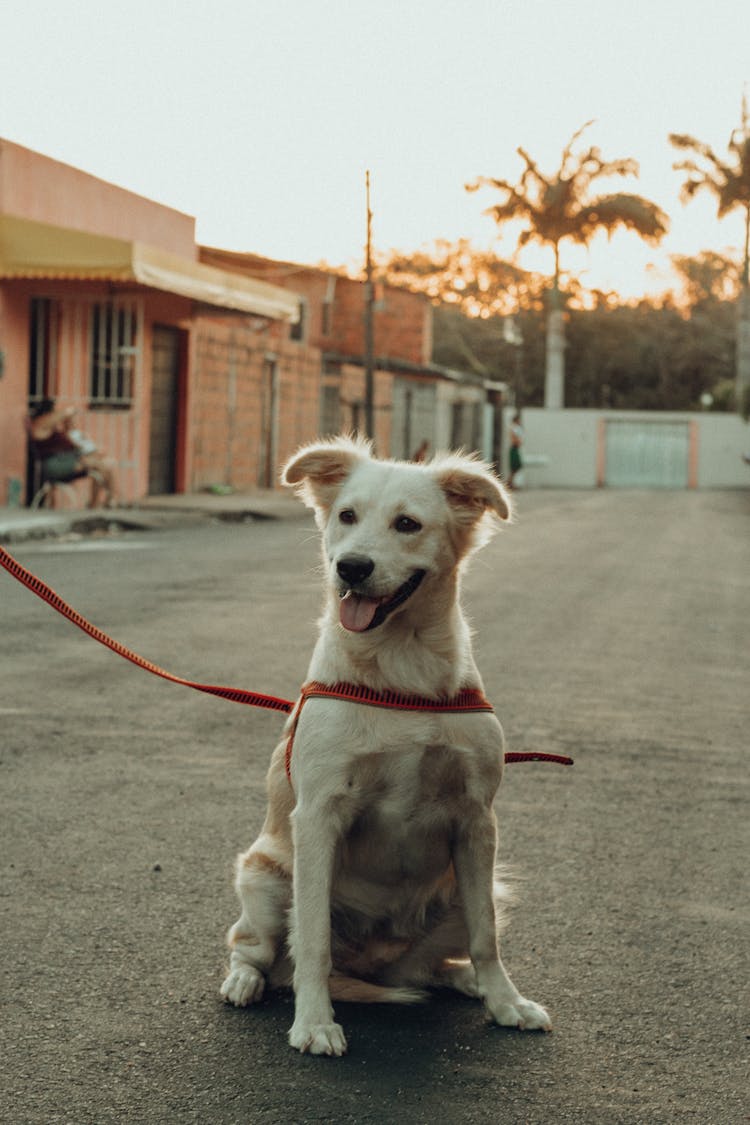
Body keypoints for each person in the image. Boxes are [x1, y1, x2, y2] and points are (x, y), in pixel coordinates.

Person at [29, 399, 118, 507]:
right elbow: (62, 415)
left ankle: (100, 502)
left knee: (105, 466)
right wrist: (67, 412)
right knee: (99, 464)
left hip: (71, 459)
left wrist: (69, 424)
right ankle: (111, 499)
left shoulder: (55, 431)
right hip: (55, 464)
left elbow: (73, 435)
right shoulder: (39, 426)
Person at [508, 410, 524, 488]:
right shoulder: (514, 428)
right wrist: (517, 441)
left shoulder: (516, 428)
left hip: (516, 448)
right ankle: (510, 483)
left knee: (516, 466)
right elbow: (514, 438)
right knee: (515, 466)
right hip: (514, 448)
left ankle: (510, 482)